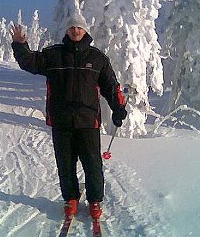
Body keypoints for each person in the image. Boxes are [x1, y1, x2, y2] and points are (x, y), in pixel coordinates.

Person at [10, 14, 127, 220]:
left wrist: (118, 108)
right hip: (61, 120)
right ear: (66, 30)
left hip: (88, 121)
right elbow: (30, 62)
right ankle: (71, 198)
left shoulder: (97, 58)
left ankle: (95, 200)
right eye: (72, 27)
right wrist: (20, 45)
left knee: (92, 164)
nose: (75, 30)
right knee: (65, 163)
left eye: (79, 27)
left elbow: (111, 86)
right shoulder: (53, 55)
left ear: (85, 30)